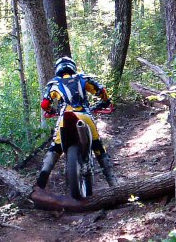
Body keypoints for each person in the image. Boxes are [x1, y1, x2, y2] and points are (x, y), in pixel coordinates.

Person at [36, 56, 117, 189]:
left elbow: (45, 104)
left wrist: (51, 110)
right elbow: (101, 91)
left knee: (55, 148)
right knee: (98, 147)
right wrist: (106, 102)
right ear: (73, 67)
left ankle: (40, 184)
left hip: (64, 117)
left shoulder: (54, 84)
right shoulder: (83, 78)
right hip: (84, 115)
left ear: (58, 69)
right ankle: (113, 183)